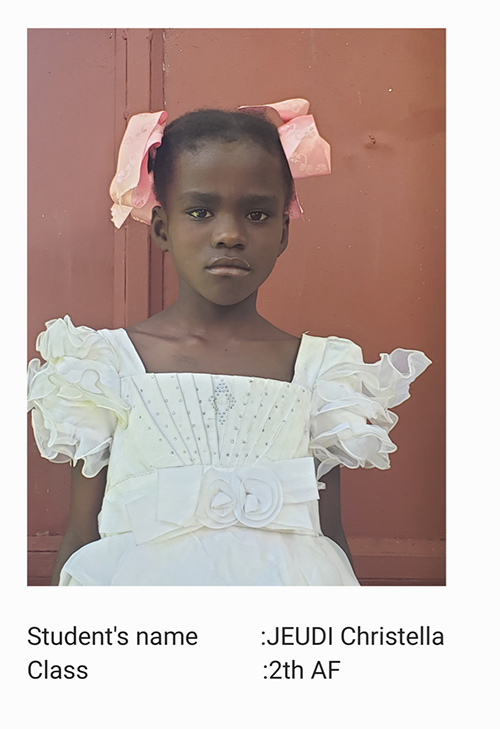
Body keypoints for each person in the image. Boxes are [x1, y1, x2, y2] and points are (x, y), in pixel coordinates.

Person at [27, 99, 431, 586]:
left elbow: (328, 538)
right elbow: (81, 536)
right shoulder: (104, 366)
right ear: (162, 228)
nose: (229, 235)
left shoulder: (321, 372)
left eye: (257, 215)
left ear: (284, 231)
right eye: (199, 211)